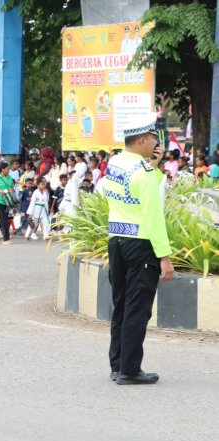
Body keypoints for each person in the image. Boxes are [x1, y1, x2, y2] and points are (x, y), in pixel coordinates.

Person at [101, 113, 173, 385]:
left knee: (121, 305)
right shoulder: (142, 172)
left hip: (117, 241)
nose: (157, 143)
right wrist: (164, 257)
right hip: (141, 246)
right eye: (154, 139)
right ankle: (130, 370)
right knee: (137, 308)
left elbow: (135, 191)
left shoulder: (115, 163)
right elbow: (153, 218)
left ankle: (118, 364)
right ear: (142, 140)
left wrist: (153, 165)